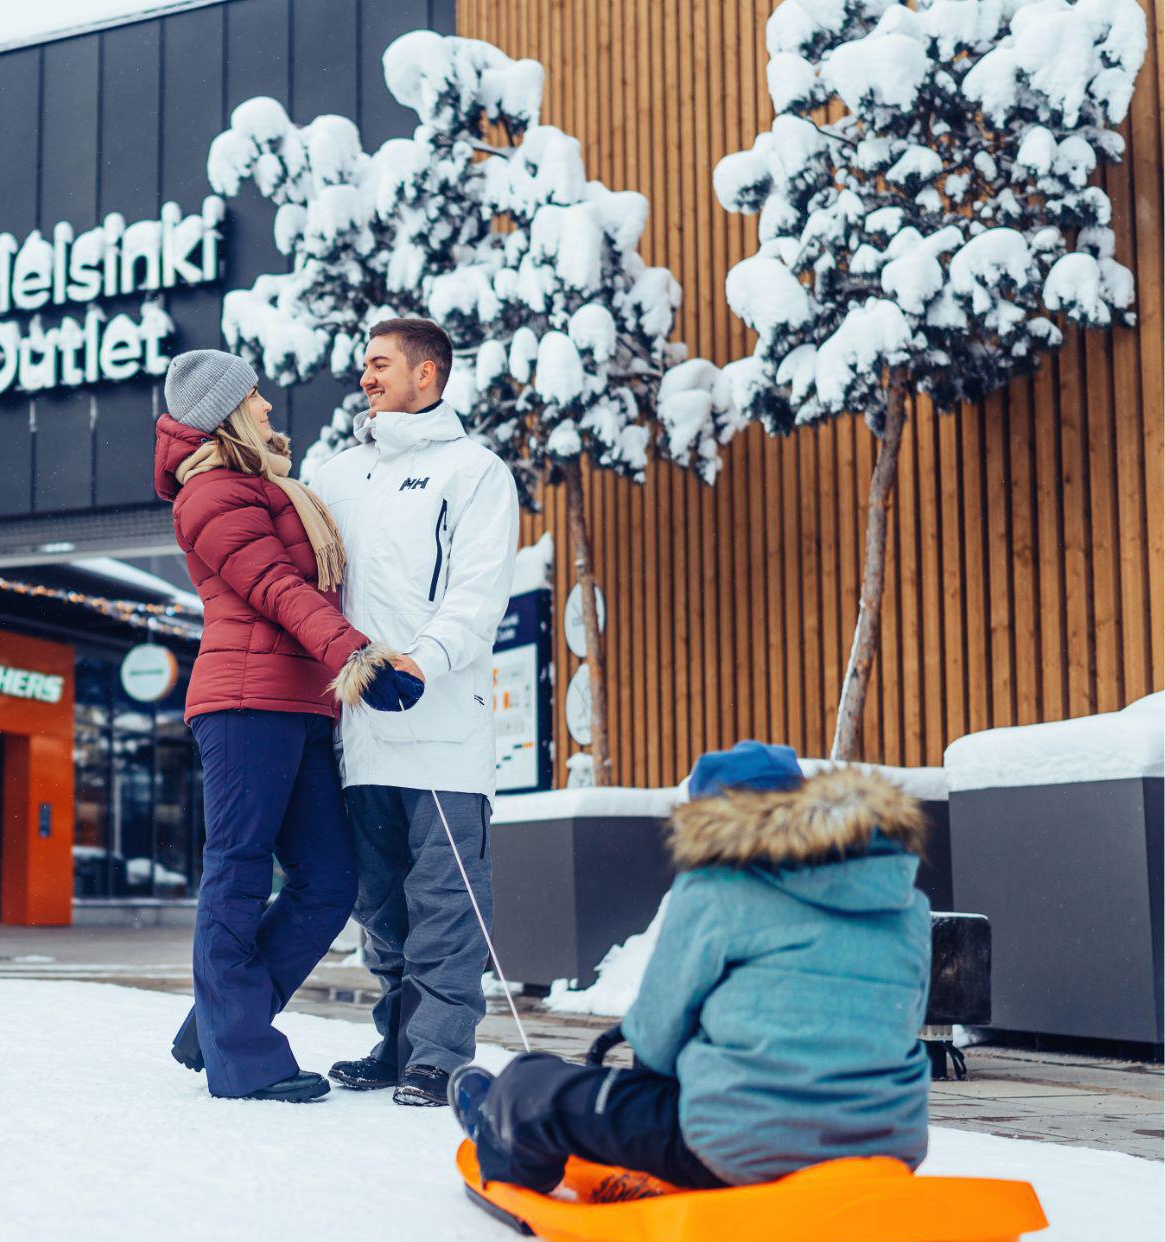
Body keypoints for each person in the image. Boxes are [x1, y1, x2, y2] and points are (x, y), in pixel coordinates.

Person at [449, 742, 934, 1192]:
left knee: (538, 1083)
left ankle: (506, 1135)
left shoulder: (717, 887)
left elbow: (657, 1040)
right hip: (887, 1144)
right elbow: (898, 1021)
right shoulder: (902, 900)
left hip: (743, 1146)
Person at [155, 348, 387, 1103]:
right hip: (244, 703)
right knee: (240, 871)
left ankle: (220, 1021)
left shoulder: (261, 484)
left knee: (329, 880)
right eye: (253, 398)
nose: (266, 408)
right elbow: (276, 586)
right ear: (225, 411)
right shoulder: (213, 492)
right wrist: (352, 652)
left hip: (298, 702)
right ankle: (245, 1057)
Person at [307, 317, 521, 1107]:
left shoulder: (473, 472)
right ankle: (396, 1042)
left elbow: (477, 593)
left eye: (380, 363)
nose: (366, 376)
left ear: (426, 375)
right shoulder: (337, 476)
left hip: (441, 731)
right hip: (362, 733)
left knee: (445, 901)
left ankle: (438, 1052)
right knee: (380, 906)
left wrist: (421, 660)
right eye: (365, 364)